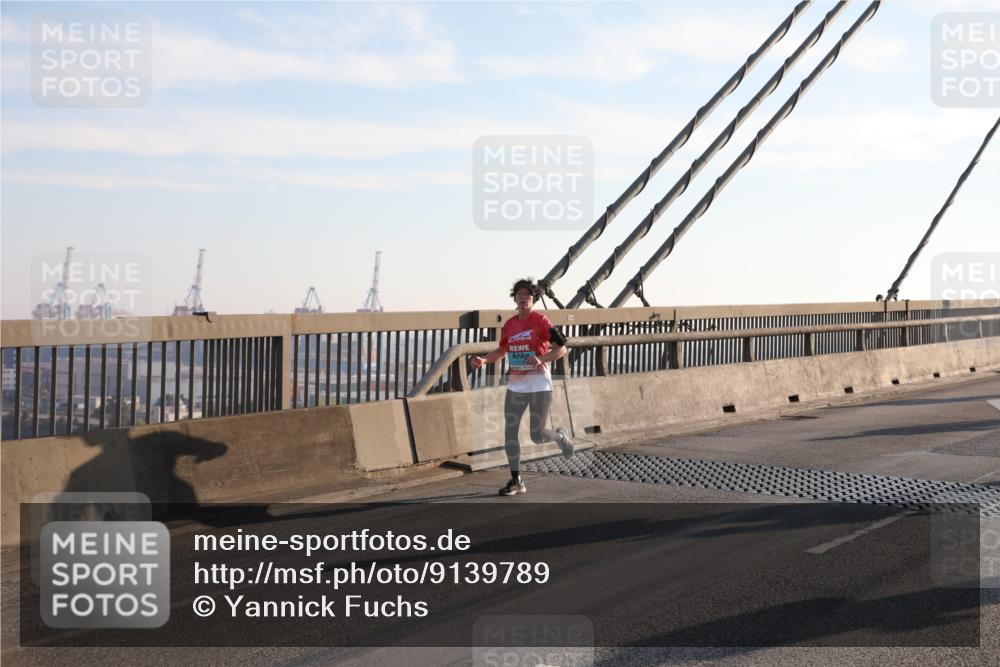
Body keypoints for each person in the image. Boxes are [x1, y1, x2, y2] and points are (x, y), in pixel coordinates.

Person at [471, 278, 575, 496]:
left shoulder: (541, 321)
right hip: (516, 386)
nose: (523, 297)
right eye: (519, 294)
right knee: (510, 432)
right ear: (515, 298)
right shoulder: (510, 325)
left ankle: (561, 438)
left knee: (537, 435)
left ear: (533, 299)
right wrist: (484, 360)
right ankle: (516, 480)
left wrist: (541, 358)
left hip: (539, 384)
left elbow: (562, 349)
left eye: (527, 294)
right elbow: (502, 351)